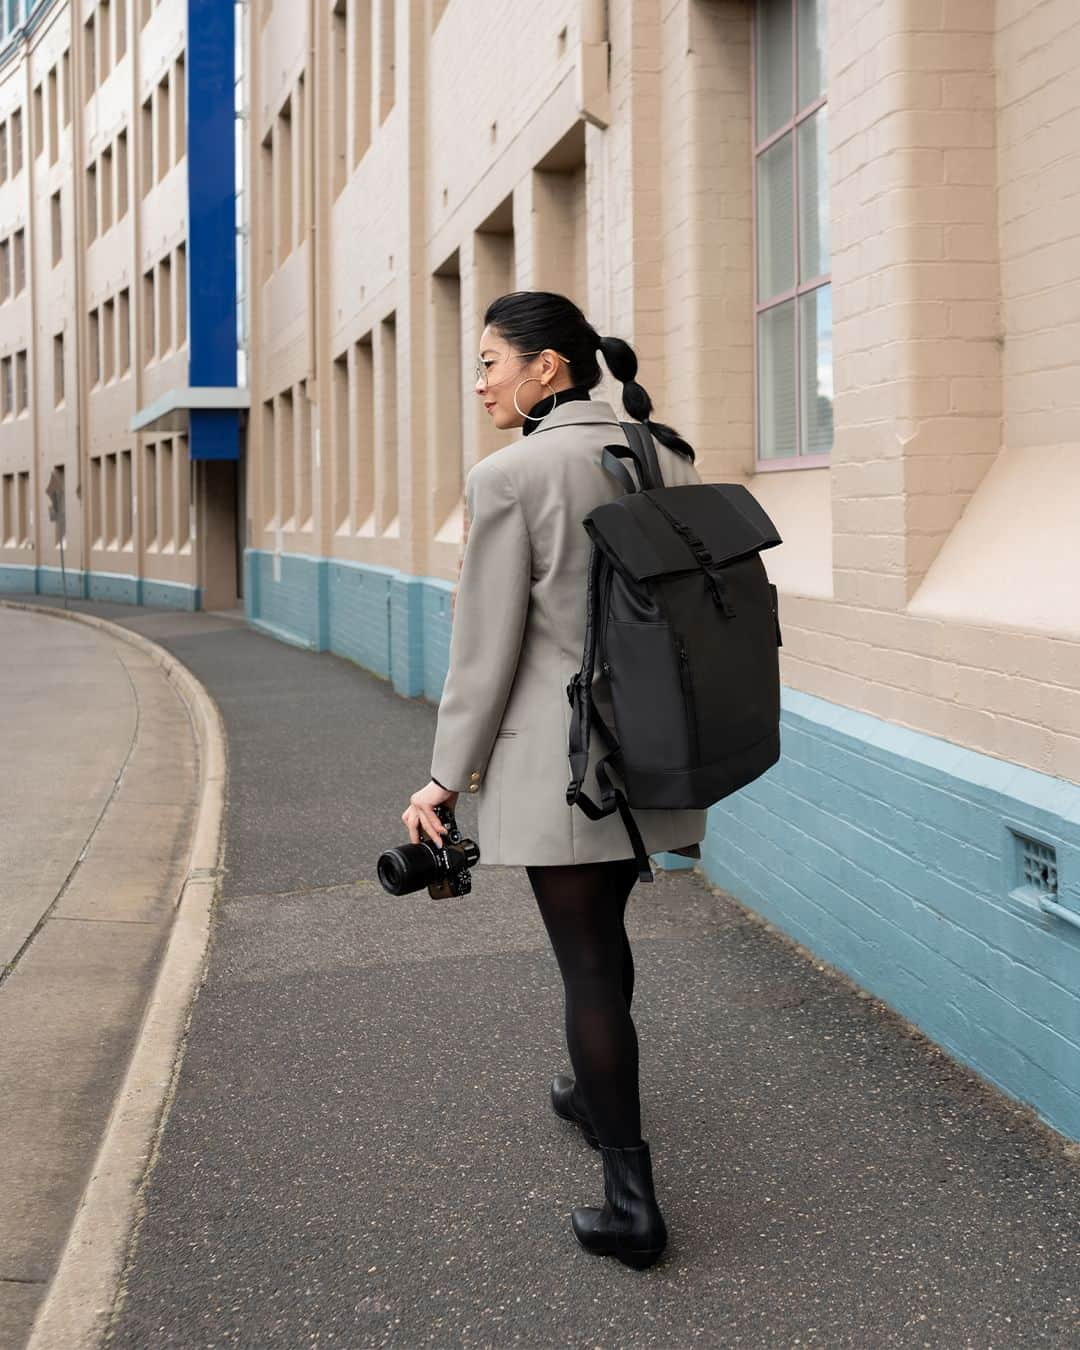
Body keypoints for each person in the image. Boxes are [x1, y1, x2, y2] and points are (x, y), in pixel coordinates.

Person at [401, 290, 706, 1269]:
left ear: (549, 368)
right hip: (656, 754)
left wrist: (443, 782)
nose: (481, 380)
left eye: (491, 360)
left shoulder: (512, 475)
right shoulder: (665, 452)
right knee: (603, 939)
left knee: (585, 969)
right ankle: (589, 1091)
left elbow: (483, 655)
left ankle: (632, 1204)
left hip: (560, 768)